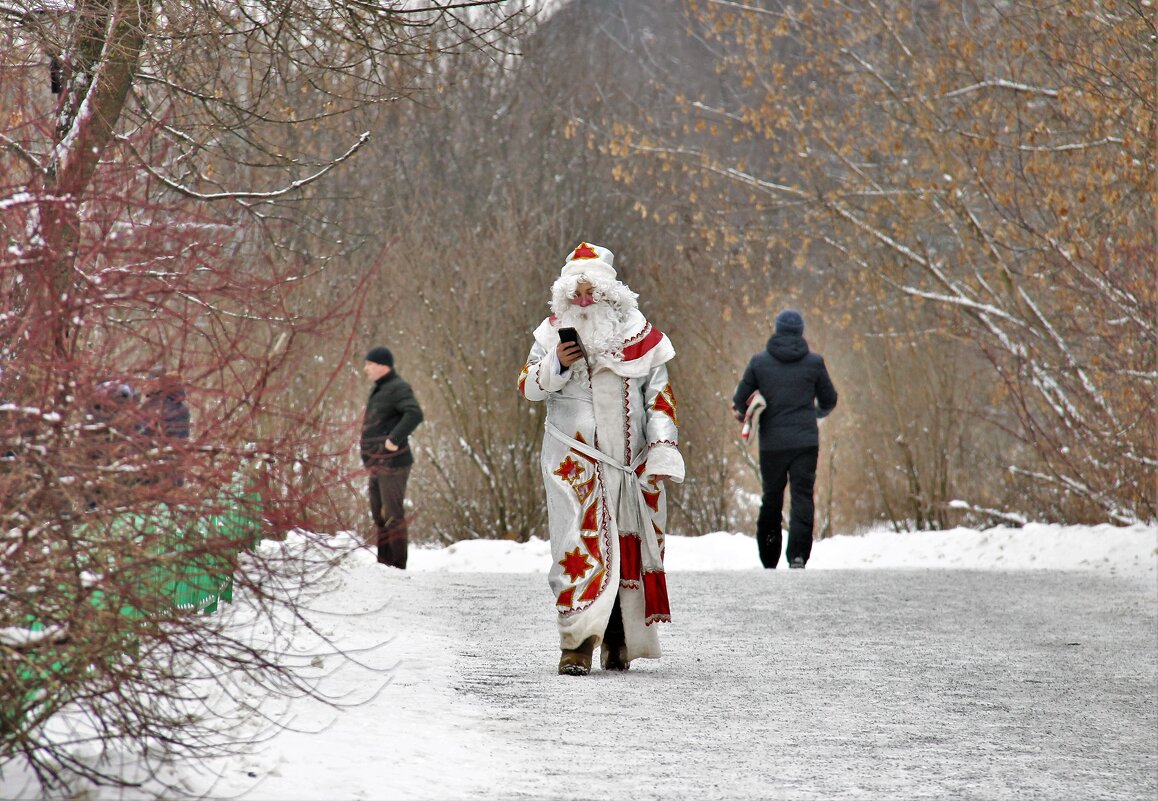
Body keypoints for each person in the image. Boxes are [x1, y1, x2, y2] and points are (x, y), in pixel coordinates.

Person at [518, 242, 684, 676]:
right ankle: (575, 644)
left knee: (627, 546)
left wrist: (663, 450)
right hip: (571, 464)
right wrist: (555, 362)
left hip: (631, 465)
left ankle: (619, 639)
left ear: (613, 293)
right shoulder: (550, 334)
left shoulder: (642, 335)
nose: (585, 300)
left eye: (593, 292)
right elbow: (528, 387)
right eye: (578, 293)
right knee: (574, 548)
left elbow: (660, 398)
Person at [733, 309, 838, 569]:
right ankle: (798, 556)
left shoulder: (759, 363)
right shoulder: (814, 363)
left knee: (772, 496)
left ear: (777, 330)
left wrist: (753, 412)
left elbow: (739, 402)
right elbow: (830, 400)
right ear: (801, 331)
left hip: (772, 444)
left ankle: (769, 557)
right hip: (806, 442)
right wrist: (814, 414)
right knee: (802, 496)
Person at [361, 346, 424, 569]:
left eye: (369, 363)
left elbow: (415, 413)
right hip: (377, 463)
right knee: (379, 515)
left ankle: (397, 566)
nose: (365, 368)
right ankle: (384, 564)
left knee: (393, 516)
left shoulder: (397, 387)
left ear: (382, 366)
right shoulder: (381, 388)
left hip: (394, 463)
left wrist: (394, 439)